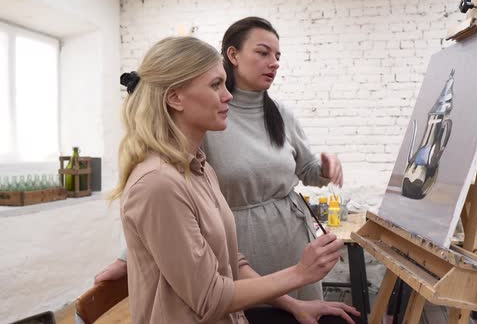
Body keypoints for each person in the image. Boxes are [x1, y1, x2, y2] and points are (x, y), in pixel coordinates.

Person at [111, 36, 358, 324]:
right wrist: (300, 274)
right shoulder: (158, 183)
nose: (228, 95)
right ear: (175, 97)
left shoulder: (199, 169)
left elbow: (230, 262)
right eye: (216, 85)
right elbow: (210, 298)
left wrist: (293, 304)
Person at [203, 16, 344, 301]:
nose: (274, 62)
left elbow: (307, 171)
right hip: (240, 247)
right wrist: (128, 257)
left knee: (304, 311)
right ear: (233, 55)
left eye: (277, 56)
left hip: (292, 240)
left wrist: (325, 169)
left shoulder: (281, 114)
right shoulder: (209, 116)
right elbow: (173, 192)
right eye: (263, 52)